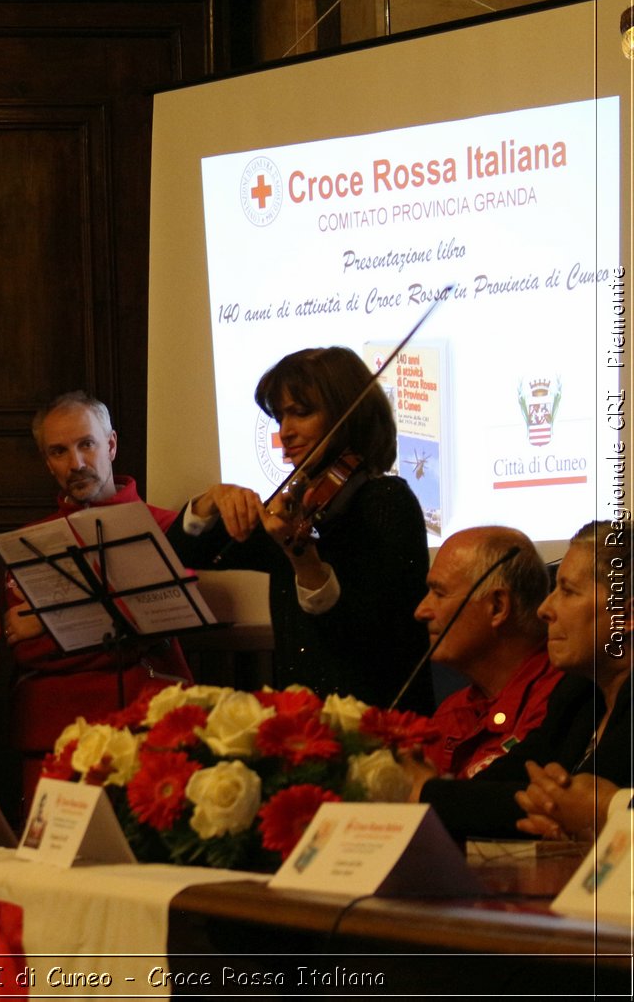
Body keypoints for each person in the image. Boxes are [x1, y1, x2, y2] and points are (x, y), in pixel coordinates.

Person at [167, 347, 432, 712]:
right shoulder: (301, 506)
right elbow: (187, 554)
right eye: (280, 417)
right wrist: (209, 502)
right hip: (305, 721)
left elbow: (364, 637)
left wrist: (301, 555)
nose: (285, 432)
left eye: (301, 414)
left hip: (378, 723)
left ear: (345, 414)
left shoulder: (386, 502)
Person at [3, 393, 192, 810]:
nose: (76, 463)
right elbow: (26, 647)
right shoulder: (29, 542)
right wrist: (122, 630)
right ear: (46, 461)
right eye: (59, 451)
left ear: (110, 445)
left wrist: (49, 621)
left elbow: (170, 612)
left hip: (149, 733)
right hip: (53, 738)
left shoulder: (165, 527)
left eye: (86, 444)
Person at [416, 521, 631, 840]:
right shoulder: (578, 695)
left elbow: (568, 804)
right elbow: (507, 786)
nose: (545, 609)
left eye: (568, 591)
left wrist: (423, 791)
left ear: (625, 617)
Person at [414, 526, 560, 779]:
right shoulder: (451, 713)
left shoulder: (562, 703)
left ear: (497, 607)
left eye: (439, 593)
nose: (421, 611)